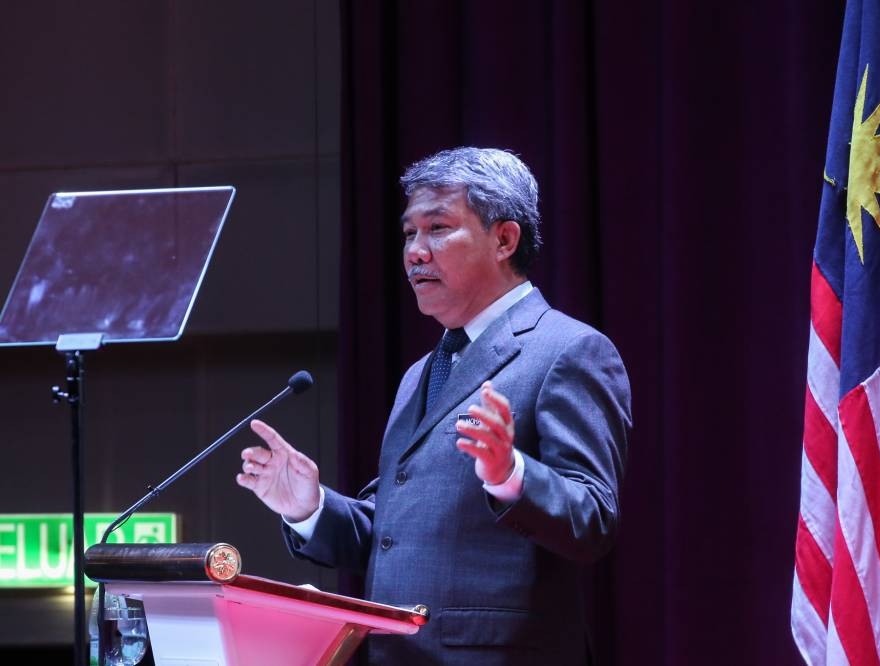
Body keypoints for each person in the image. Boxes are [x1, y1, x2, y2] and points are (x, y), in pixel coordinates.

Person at [236, 147, 632, 665]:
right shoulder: (419, 374)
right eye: (408, 234)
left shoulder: (568, 350)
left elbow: (592, 517)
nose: (415, 252)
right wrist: (309, 508)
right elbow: (393, 532)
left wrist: (510, 474)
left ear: (504, 239)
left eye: (438, 228)